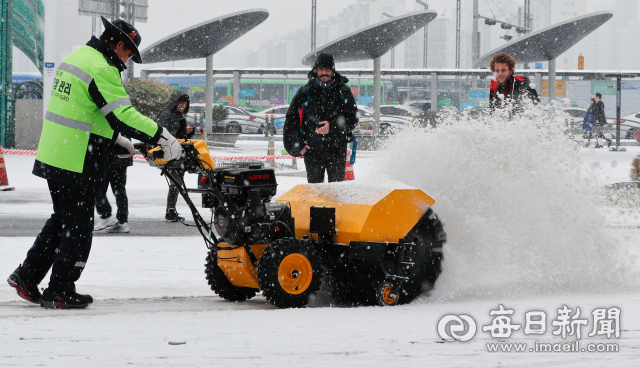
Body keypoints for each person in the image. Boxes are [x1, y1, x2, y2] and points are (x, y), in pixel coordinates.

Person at [6, 16, 182, 309]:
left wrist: (113, 140)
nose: (127, 61)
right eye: (128, 53)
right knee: (77, 227)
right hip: (78, 158)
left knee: (62, 219)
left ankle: (27, 276)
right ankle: (60, 291)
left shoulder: (79, 57)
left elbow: (86, 109)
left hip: (57, 153)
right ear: (120, 44)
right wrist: (163, 137)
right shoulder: (102, 67)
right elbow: (123, 115)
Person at [283, 53, 358, 183]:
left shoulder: (343, 91)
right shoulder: (305, 92)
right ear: (316, 70)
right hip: (312, 151)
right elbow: (291, 121)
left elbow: (353, 119)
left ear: (333, 71)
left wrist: (332, 126)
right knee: (315, 193)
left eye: (327, 69)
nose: (324, 73)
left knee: (336, 193)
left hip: (337, 151)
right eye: (321, 69)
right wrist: (298, 146)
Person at [157, 90, 194, 222]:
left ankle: (171, 210)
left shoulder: (181, 116)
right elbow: (163, 135)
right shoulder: (166, 115)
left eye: (185, 103)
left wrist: (189, 133)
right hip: (170, 154)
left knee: (177, 183)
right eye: (181, 102)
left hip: (180, 154)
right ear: (175, 102)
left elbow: (182, 138)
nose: (183, 105)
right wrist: (181, 131)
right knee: (176, 182)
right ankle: (170, 210)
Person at [93, 133, 134, 233]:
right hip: (121, 157)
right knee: (120, 191)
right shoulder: (124, 119)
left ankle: (106, 214)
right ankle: (122, 221)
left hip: (108, 158)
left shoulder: (109, 119)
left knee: (98, 189)